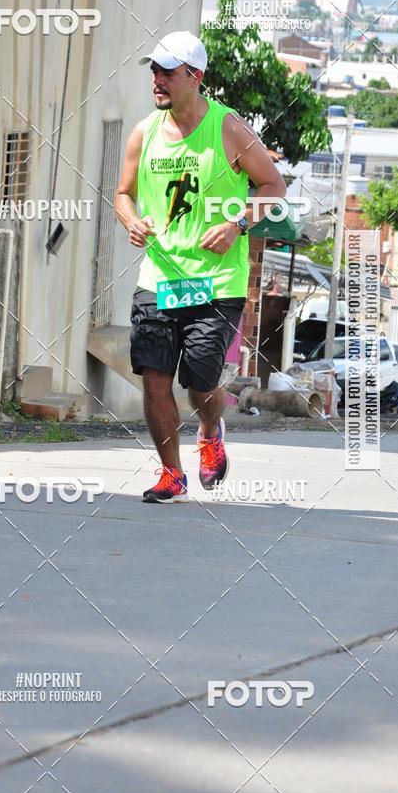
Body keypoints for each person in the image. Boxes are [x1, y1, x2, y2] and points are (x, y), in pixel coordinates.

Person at [114, 31, 286, 503]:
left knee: (200, 381)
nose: (158, 79)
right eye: (154, 70)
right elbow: (122, 193)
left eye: (168, 71)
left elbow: (273, 185)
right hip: (159, 277)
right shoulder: (143, 133)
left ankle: (211, 429)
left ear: (195, 77)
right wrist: (132, 221)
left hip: (215, 281)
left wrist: (237, 223)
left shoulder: (228, 129)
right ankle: (172, 474)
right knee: (154, 376)